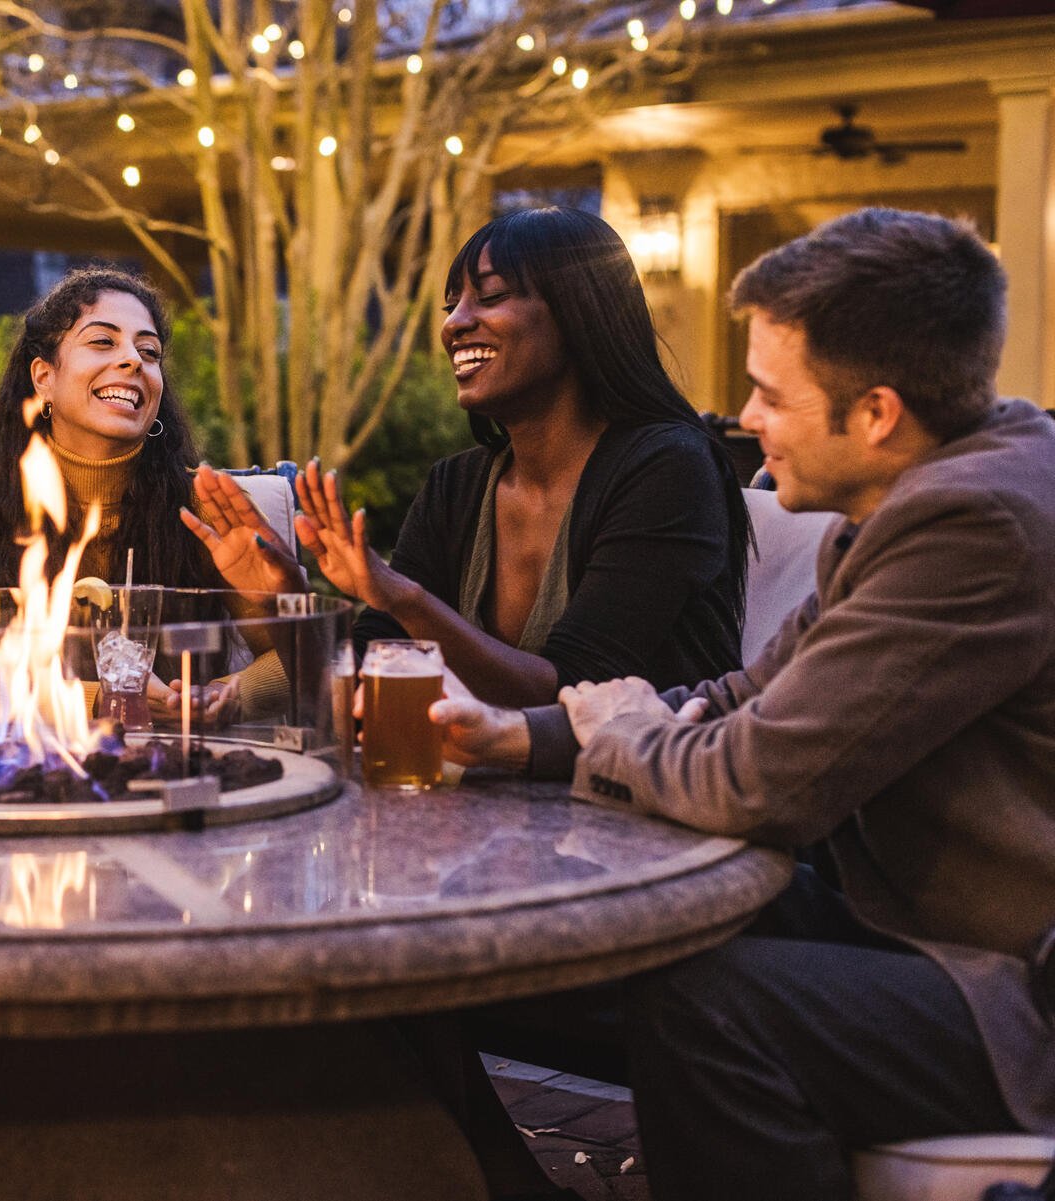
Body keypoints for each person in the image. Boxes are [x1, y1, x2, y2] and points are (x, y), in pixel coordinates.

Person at [430, 208, 1055, 1200]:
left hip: (1020, 988)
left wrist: (621, 728)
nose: (746, 421)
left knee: (711, 1002)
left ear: (878, 412)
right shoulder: (929, 481)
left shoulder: (975, 522)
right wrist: (525, 739)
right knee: (598, 932)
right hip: (916, 920)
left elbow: (760, 782)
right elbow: (746, 695)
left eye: (769, 394)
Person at [286, 206, 749, 707]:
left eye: (492, 297)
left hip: (647, 779)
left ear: (580, 315)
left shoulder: (666, 469)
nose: (456, 325)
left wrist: (404, 597)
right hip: (484, 782)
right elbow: (369, 670)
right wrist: (285, 596)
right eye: (451, 307)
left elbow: (573, 693)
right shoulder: (456, 486)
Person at [0, 267, 298, 726]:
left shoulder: (205, 504)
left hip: (176, 767)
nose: (133, 361)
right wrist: (103, 702)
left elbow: (295, 659)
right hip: (24, 774)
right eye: (103, 342)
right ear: (43, 376)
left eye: (149, 351)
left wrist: (225, 697)